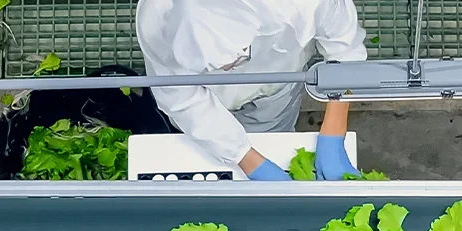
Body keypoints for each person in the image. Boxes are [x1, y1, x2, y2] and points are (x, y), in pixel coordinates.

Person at [136, 0, 365, 180]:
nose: (226, 71)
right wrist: (249, 161)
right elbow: (182, 100)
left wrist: (334, 133)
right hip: (205, 96)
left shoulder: (306, 3)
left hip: (275, 86)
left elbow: (345, 53)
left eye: (232, 62)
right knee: (202, 151)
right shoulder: (155, 16)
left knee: (274, 138)